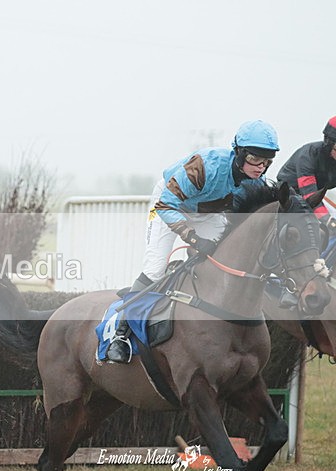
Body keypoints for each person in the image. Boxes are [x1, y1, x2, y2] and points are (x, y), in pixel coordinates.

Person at [105, 120, 280, 363]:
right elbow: (166, 206)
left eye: (267, 161)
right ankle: (120, 333)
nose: (260, 167)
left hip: (206, 213)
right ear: (239, 153)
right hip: (169, 205)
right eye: (254, 158)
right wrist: (194, 239)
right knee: (155, 269)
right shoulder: (205, 166)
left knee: (223, 259)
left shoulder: (255, 181)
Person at [276, 116, 336, 226]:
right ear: (329, 143)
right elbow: (309, 195)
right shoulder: (308, 155)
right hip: (289, 195)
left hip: (315, 195)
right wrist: (327, 221)